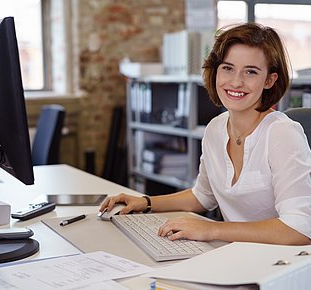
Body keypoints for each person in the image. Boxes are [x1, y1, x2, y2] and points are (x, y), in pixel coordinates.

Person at [100, 23, 311, 245]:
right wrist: (146, 202)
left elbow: (299, 229)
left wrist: (212, 229)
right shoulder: (215, 129)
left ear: (269, 80)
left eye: (250, 71)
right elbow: (202, 196)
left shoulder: (282, 133)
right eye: (227, 68)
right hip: (237, 255)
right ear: (215, 71)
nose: (236, 81)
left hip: (282, 264)